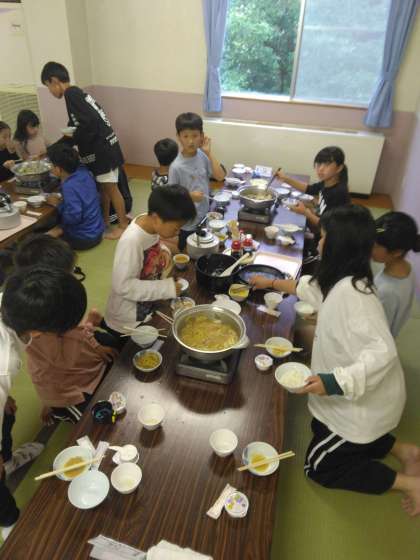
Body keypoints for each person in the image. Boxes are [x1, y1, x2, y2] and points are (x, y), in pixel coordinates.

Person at [250, 205, 420, 516]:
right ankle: (404, 450)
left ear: (338, 246)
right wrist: (270, 283)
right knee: (319, 423)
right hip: (357, 393)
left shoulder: (355, 297)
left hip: (366, 400)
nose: (319, 242)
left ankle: (409, 483)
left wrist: (333, 381)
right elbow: (308, 289)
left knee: (318, 466)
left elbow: (383, 352)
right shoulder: (342, 278)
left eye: (324, 237)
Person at [1, 267, 119, 425]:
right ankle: (55, 407)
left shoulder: (18, 301)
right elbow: (65, 360)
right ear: (38, 333)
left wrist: (90, 331)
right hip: (59, 385)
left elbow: (75, 331)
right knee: (91, 421)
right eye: (71, 326)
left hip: (62, 365)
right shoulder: (6, 364)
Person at [41, 61, 128, 239]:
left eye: (48, 86)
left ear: (54, 81)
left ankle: (122, 226)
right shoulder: (78, 94)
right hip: (107, 147)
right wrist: (57, 146)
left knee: (112, 189)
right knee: (104, 189)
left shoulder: (71, 94)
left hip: (102, 151)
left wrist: (71, 139)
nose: (50, 91)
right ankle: (104, 221)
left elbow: (88, 124)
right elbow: (76, 125)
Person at [103, 185, 197, 340]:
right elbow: (123, 286)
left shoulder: (149, 224)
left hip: (146, 305)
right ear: (156, 218)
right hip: (127, 319)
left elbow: (152, 245)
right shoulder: (131, 241)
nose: (178, 232)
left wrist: (163, 251)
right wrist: (166, 288)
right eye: (176, 228)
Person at [0, 297, 44, 542]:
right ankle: (9, 522)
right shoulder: (6, 361)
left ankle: (7, 462)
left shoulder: (8, 303)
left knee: (7, 416)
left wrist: (4, 396)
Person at [168, 112, 226, 250]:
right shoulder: (176, 167)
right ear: (178, 137)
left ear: (202, 136)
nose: (190, 141)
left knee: (207, 249)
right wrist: (190, 196)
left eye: (194, 136)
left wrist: (208, 153)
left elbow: (220, 176)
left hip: (205, 216)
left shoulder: (202, 155)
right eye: (185, 136)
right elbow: (171, 196)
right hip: (187, 223)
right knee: (189, 254)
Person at [44, 144, 104, 250]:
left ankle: (59, 232)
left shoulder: (69, 186)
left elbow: (73, 218)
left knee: (44, 238)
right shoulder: (83, 171)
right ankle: (59, 230)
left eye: (50, 164)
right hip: (98, 231)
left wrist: (58, 204)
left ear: (58, 169)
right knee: (55, 225)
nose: (49, 167)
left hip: (84, 238)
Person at [277, 146, 350, 228]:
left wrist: (305, 213)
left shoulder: (338, 193)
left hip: (327, 234)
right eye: (319, 164)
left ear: (339, 168)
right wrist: (285, 178)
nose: (320, 169)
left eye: (327, 164)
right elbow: (309, 189)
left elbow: (327, 227)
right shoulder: (327, 182)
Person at [372, 211, 420, 337]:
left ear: (397, 252)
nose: (369, 247)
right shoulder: (406, 267)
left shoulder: (387, 291)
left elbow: (379, 328)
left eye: (375, 246)